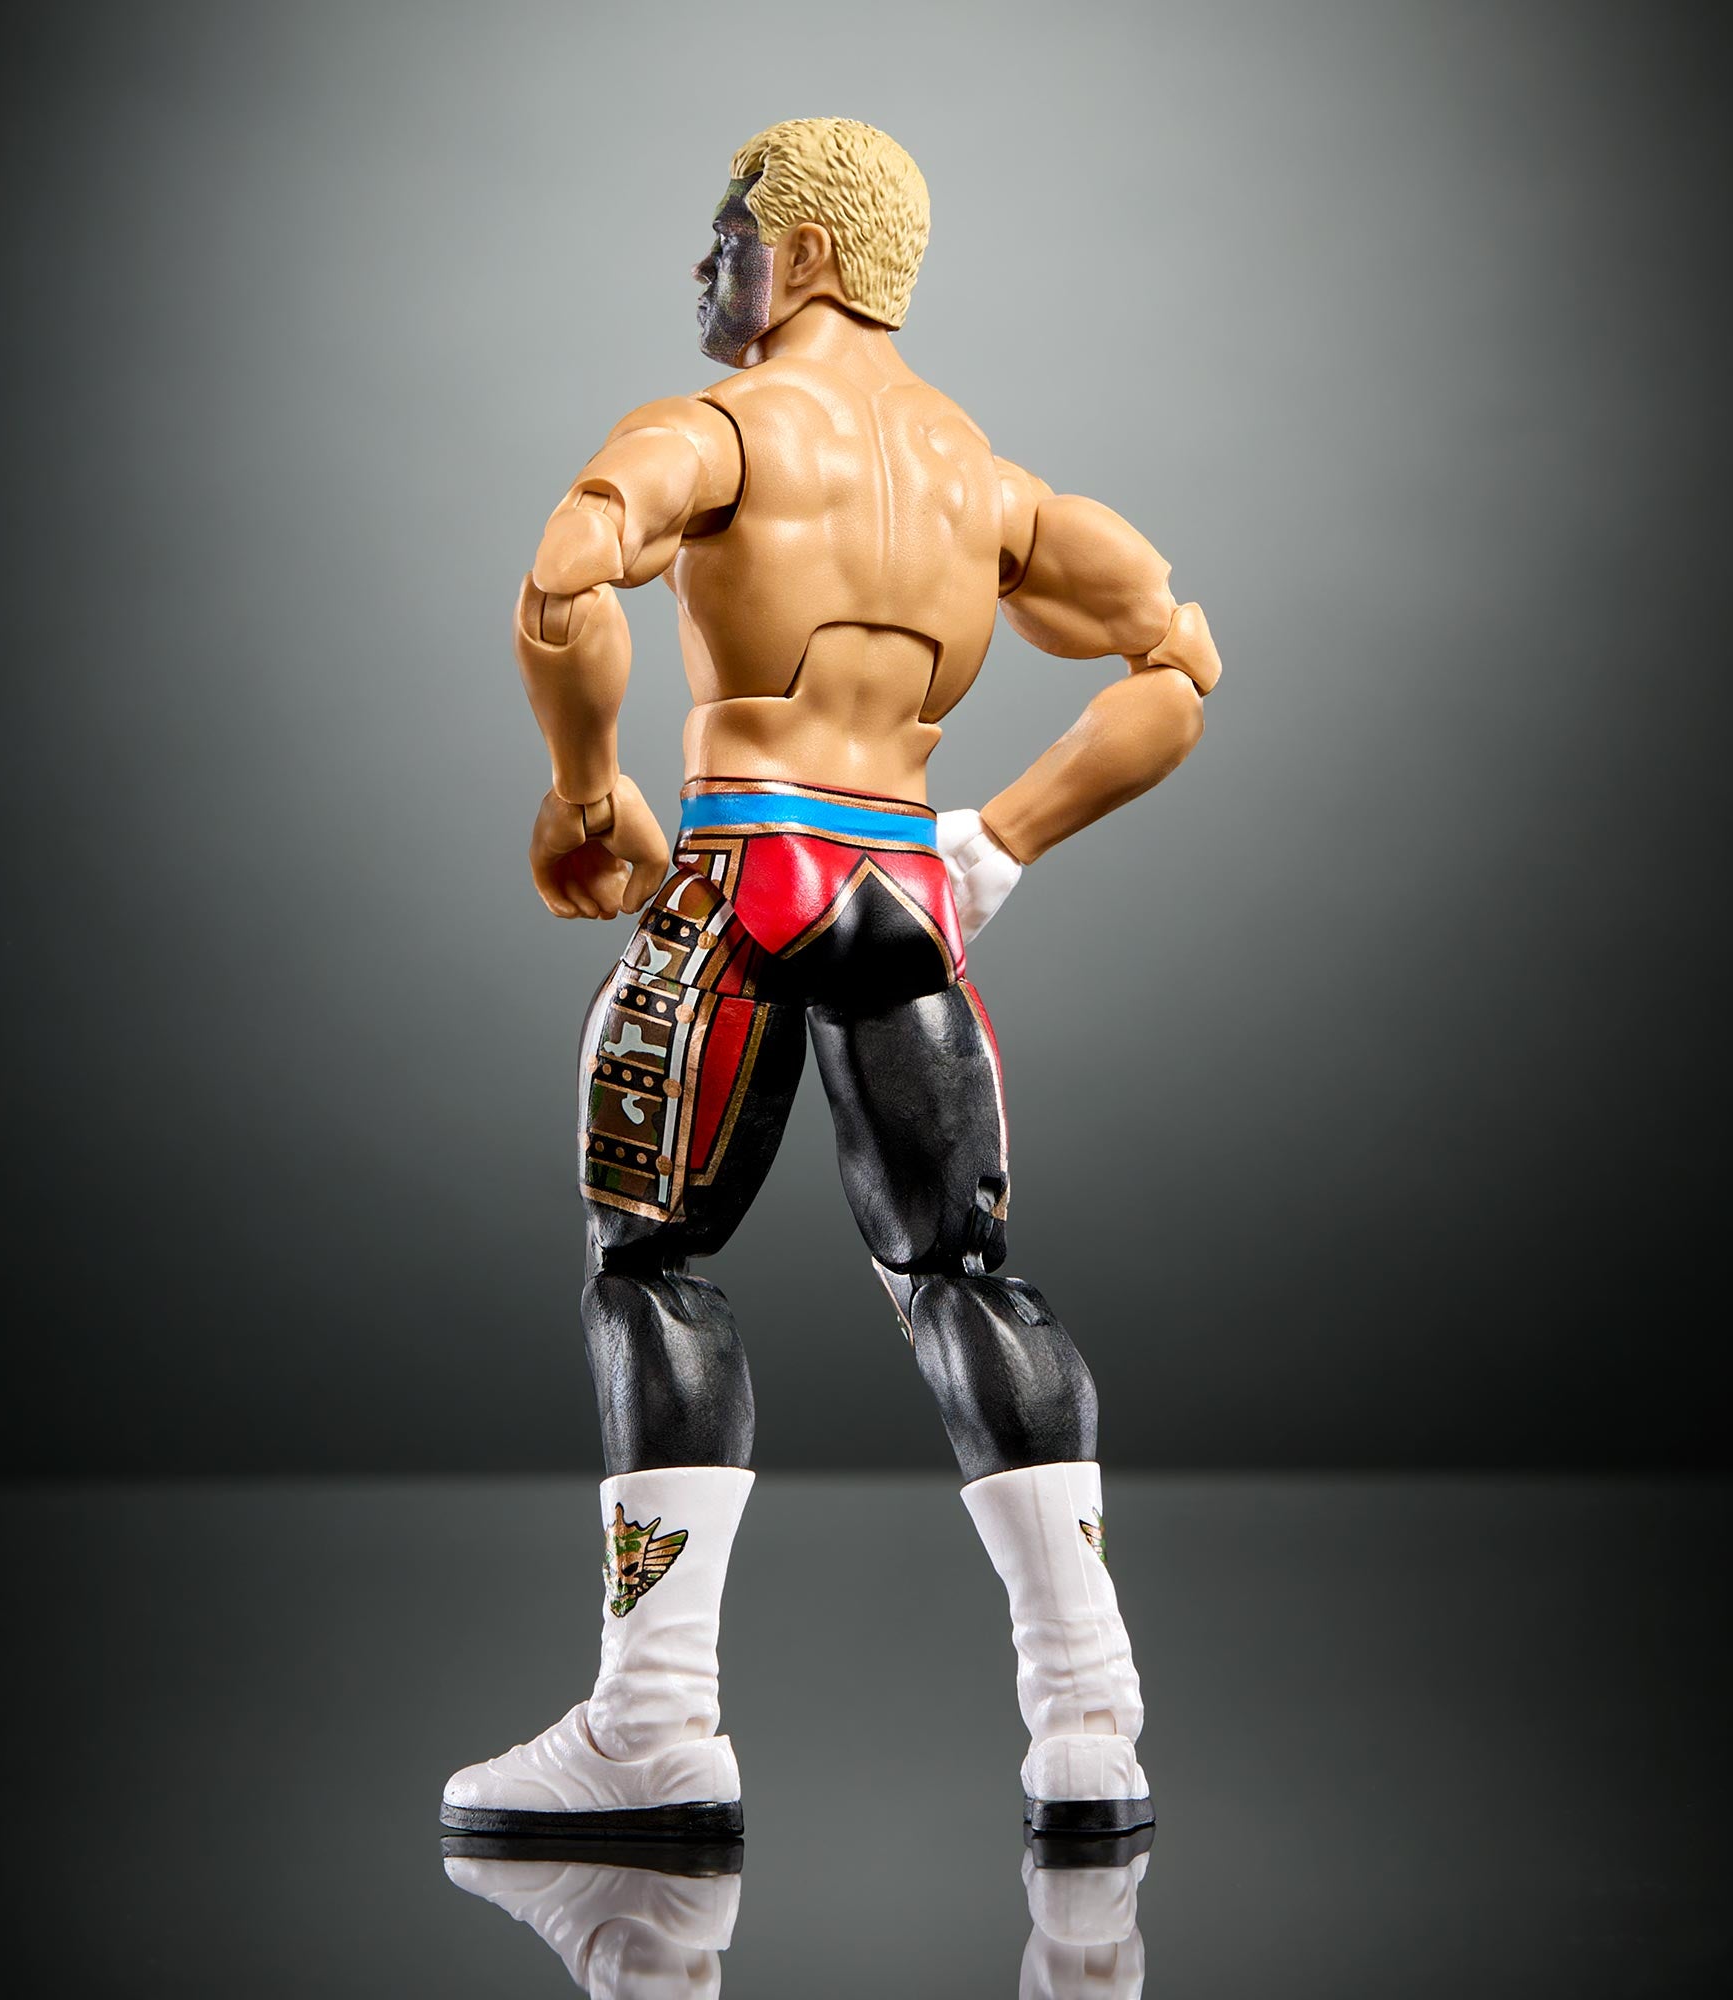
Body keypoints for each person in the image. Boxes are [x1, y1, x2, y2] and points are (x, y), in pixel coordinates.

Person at [443, 118, 1221, 1840]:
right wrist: (995, 841)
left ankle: (657, 1727)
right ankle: (1091, 1727)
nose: (703, 270)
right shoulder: (984, 482)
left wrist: (585, 794)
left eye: (724, 238)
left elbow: (566, 581)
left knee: (651, 1264)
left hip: (743, 869)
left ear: (798, 253)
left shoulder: (719, 431)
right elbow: (1181, 661)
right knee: (966, 1276)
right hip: (899, 887)